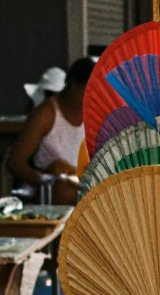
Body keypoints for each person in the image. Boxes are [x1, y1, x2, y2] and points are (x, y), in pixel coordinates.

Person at [8, 58, 95, 206]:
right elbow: (15, 163)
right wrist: (46, 178)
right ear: (74, 86)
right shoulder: (46, 114)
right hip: (50, 193)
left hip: (83, 186)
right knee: (66, 191)